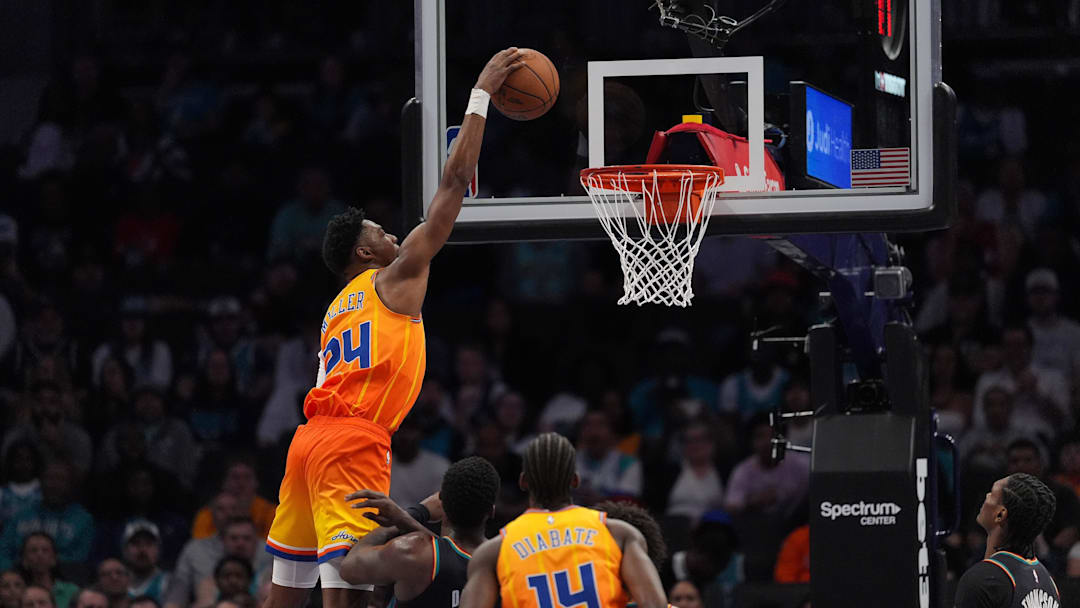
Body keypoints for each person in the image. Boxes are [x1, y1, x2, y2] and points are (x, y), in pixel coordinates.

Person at [262, 48, 526, 608]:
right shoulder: (394, 276)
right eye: (381, 231)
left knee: (285, 592)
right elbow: (453, 185)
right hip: (352, 439)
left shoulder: (339, 306)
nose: (392, 234)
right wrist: (480, 96)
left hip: (307, 442)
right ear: (365, 249)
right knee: (349, 586)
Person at [458, 433, 668, 608]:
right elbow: (654, 605)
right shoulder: (618, 533)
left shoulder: (494, 551)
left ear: (523, 482)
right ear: (575, 480)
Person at [338, 456, 501, 606]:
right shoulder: (503, 562)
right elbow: (451, 556)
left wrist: (408, 516)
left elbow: (348, 568)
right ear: (491, 511)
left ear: (443, 502)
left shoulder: (412, 551)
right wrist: (405, 519)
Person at [954, 473, 1060, 607]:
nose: (986, 497)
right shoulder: (1048, 582)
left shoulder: (982, 581)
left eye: (992, 494)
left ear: (1000, 515)